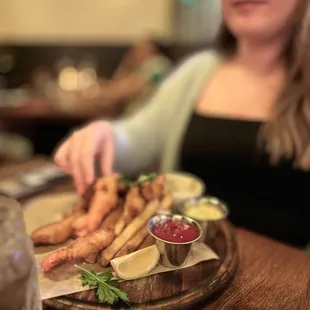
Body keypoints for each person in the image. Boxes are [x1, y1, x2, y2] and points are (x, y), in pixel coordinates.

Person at [54, 0, 310, 247]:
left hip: (286, 280)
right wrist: (106, 134)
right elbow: (136, 136)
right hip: (185, 267)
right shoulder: (197, 71)